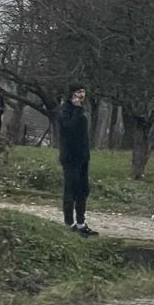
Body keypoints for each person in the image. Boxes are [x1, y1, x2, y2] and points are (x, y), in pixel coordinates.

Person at [58, 83, 97, 236]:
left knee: (83, 190)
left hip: (82, 156)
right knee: (70, 189)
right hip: (70, 156)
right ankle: (69, 222)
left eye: (83, 92)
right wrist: (76, 109)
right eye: (78, 92)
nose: (82, 95)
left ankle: (81, 223)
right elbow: (69, 127)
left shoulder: (81, 110)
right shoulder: (66, 110)